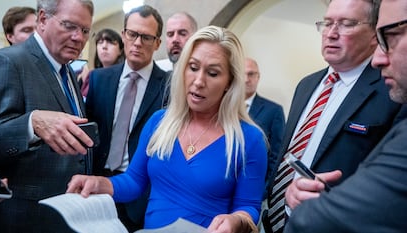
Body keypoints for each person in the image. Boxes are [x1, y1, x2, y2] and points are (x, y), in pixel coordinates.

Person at [67, 25, 268, 232]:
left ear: (230, 82)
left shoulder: (249, 140)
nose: (198, 81)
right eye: (193, 67)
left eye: (213, 73)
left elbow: (249, 206)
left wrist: (237, 219)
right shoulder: (159, 122)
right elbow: (134, 181)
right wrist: (100, 184)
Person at [263, 0, 403, 232]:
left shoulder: (392, 91)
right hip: (276, 219)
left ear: (373, 34)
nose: (331, 33)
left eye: (346, 24)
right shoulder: (306, 85)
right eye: (327, 23)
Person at [0, 0, 95, 232]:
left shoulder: (67, 69)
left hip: (66, 211)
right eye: (69, 26)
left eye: (85, 30)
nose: (78, 37)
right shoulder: (9, 61)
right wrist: (32, 123)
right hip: (26, 217)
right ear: (42, 19)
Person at [84, 5, 168, 232]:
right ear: (123, 36)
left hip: (141, 194)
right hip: (97, 188)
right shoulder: (99, 79)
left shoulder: (169, 87)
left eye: (146, 37)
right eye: (132, 34)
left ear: (158, 43)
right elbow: (89, 134)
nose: (138, 42)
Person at [244, 57, 285, 196]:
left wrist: (265, 189)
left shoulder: (273, 111)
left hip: (255, 191)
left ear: (258, 77)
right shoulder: (221, 108)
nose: (246, 79)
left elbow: (277, 155)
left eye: (251, 74)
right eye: (241, 74)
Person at [79, 28, 125, 97]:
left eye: (110, 42)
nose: (104, 46)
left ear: (120, 51)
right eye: (100, 42)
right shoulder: (91, 76)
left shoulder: (125, 78)